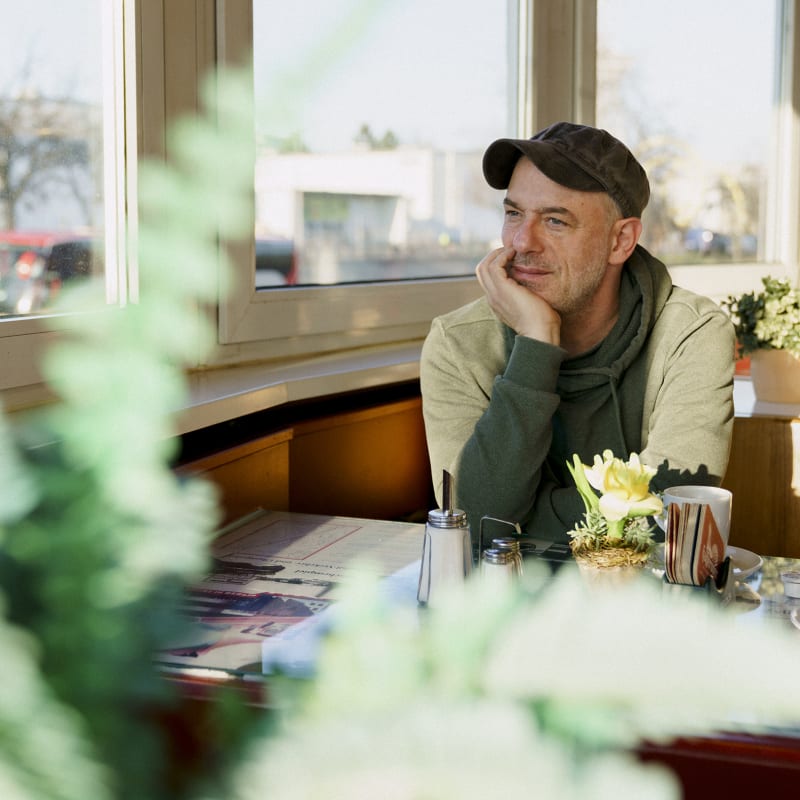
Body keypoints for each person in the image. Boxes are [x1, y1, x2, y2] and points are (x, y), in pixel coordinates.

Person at [419, 121, 735, 547]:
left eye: (555, 221)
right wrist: (537, 342)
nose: (521, 241)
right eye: (513, 213)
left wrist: (526, 521)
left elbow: (668, 519)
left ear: (620, 240)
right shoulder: (458, 343)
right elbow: (473, 526)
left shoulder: (690, 334)